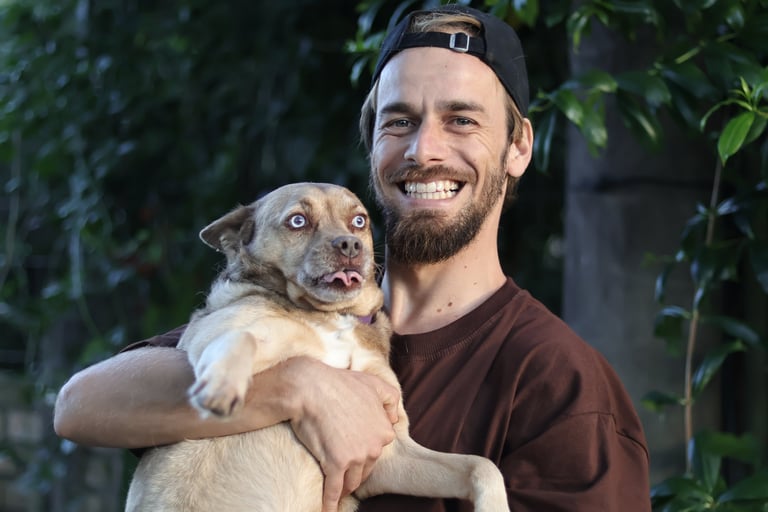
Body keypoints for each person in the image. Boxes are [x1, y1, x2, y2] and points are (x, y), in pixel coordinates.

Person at [54, 4, 651, 511]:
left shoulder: (559, 383)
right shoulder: (290, 309)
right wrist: (297, 387)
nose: (425, 149)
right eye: (400, 121)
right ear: (372, 143)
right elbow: (81, 406)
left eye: (461, 120)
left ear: (518, 146)